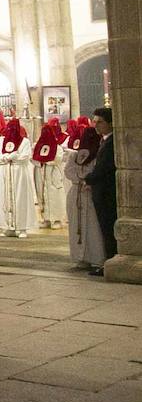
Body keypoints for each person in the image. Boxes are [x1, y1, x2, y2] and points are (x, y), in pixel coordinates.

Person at [65, 125, 107, 271]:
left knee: (92, 225)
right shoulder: (74, 155)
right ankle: (80, 257)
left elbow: (97, 171)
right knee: (76, 225)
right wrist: (82, 179)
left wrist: (86, 180)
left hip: (90, 192)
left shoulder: (98, 155)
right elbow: (68, 171)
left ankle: (96, 257)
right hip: (77, 192)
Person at [85, 107, 116, 276]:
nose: (96, 125)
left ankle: (111, 262)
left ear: (110, 123)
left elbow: (104, 167)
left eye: (100, 122)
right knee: (105, 228)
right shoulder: (104, 141)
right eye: (94, 122)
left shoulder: (111, 142)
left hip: (107, 192)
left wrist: (88, 179)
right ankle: (108, 261)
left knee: (109, 227)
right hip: (101, 191)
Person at [0, 118, 37, 238]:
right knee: (4, 198)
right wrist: (6, 158)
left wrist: (14, 156)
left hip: (19, 173)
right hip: (5, 172)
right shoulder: (1, 141)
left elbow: (26, 156)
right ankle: (7, 226)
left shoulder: (24, 142)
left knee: (20, 198)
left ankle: (22, 227)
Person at [33, 118, 69, 229]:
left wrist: (47, 161)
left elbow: (58, 159)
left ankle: (56, 219)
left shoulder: (57, 147)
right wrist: (39, 161)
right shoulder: (37, 146)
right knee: (41, 194)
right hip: (41, 171)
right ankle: (46, 218)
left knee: (55, 195)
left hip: (52, 173)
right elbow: (33, 157)